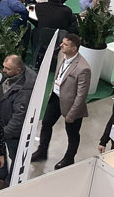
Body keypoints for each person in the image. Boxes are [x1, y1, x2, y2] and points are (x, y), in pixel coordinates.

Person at [32, 34, 91, 169]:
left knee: (72, 133)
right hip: (55, 97)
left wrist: (72, 114)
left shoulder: (83, 68)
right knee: (46, 123)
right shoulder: (61, 55)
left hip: (72, 105)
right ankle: (42, 151)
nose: (61, 46)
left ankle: (69, 158)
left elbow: (81, 95)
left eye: (65, 44)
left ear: (74, 49)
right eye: (62, 43)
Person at [0, 55, 37, 171]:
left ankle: (11, 179)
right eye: (4, 67)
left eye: (8, 68)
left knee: (15, 157)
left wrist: (4, 133)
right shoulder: (8, 76)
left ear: (18, 70)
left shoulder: (24, 91)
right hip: (2, 123)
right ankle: (1, 171)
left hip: (13, 132)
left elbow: (19, 117)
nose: (4, 70)